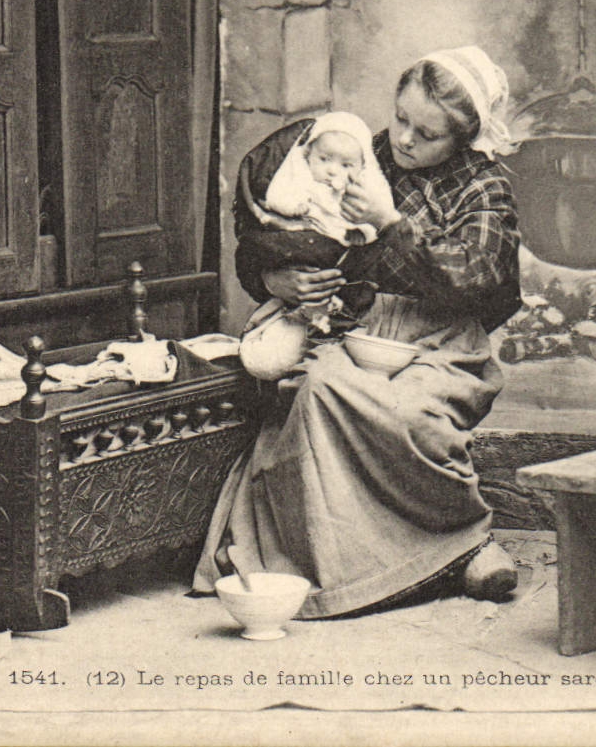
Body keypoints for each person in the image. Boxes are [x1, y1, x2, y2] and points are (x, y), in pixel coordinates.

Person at [194, 46, 524, 617]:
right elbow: (280, 225)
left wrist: (390, 222)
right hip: (356, 331)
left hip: (443, 343)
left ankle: (460, 543)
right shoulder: (359, 155)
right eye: (401, 119)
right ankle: (350, 567)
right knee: (317, 392)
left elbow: (479, 280)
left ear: (462, 140)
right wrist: (279, 277)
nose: (405, 140)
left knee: (410, 414)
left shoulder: (484, 185)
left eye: (428, 133)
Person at [235, 112, 393, 381]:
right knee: (263, 360)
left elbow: (372, 223)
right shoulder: (301, 181)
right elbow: (275, 205)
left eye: (346, 165)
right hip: (297, 261)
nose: (333, 170)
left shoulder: (363, 188)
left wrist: (361, 232)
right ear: (307, 155)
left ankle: (324, 327)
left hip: (348, 290)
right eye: (324, 159)